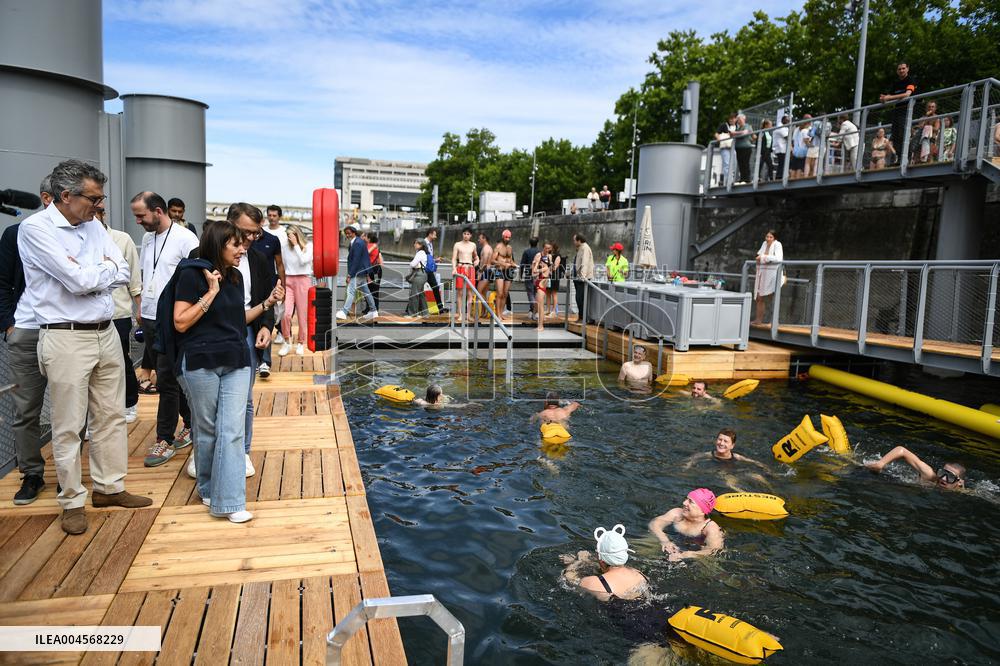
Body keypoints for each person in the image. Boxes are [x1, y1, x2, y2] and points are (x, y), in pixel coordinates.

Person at [18, 159, 153, 534]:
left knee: (110, 415)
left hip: (106, 332)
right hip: (65, 336)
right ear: (65, 196)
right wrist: (99, 270)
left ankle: (109, 487)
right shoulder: (35, 229)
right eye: (93, 198)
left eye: (100, 198)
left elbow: (122, 269)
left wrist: (96, 270)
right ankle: (72, 500)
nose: (98, 206)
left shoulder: (92, 224)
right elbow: (77, 280)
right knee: (68, 425)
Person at [173, 221, 282, 523]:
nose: (242, 248)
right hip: (199, 361)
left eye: (242, 244)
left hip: (236, 358)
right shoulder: (191, 273)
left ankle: (230, 502)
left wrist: (266, 304)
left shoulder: (235, 277)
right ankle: (207, 488)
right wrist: (210, 292)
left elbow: (237, 320)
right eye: (235, 244)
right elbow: (180, 322)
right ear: (218, 244)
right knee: (206, 430)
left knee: (232, 430)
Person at [132, 190, 199, 467]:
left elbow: (198, 277)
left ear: (158, 211)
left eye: (141, 215)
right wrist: (141, 306)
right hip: (148, 316)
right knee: (167, 375)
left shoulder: (186, 239)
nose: (138, 221)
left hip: (172, 319)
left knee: (167, 379)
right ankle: (193, 423)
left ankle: (164, 440)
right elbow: (150, 273)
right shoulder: (148, 238)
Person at [2, 177, 55, 505]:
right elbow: (2, 281)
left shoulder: (83, 232)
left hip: (65, 331)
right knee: (25, 411)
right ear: (47, 197)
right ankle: (32, 473)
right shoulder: (17, 233)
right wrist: (9, 326)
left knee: (71, 410)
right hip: (25, 332)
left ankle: (67, 473)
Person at [100, 211, 142, 425]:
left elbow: (133, 276)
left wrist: (139, 307)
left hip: (119, 313)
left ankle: (129, 402)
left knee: (122, 361)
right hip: (91, 317)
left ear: (104, 214)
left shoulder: (122, 239)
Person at [560, 525, 648, 602]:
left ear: (601, 561)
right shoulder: (638, 574)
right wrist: (587, 561)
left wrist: (575, 562)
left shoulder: (593, 583)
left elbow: (567, 580)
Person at [250, 209, 284, 377]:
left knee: (266, 320)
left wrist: (282, 286)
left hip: (267, 287)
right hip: (248, 288)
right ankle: (254, 359)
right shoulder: (243, 242)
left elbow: (279, 264)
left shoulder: (273, 240)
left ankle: (264, 361)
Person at [649, 489, 724, 561]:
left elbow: (713, 551)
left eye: (690, 502)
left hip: (692, 553)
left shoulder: (709, 527)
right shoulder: (676, 513)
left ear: (702, 510)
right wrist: (664, 540)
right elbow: (654, 524)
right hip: (670, 544)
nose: (684, 503)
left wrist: (687, 555)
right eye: (686, 499)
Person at [278, 225, 312, 357]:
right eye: (287, 235)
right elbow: (282, 266)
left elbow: (303, 261)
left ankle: (300, 343)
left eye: (291, 235)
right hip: (288, 281)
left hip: (303, 281)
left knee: (302, 315)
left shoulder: (309, 246)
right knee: (285, 314)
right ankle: (287, 341)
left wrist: (296, 245)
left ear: (297, 235)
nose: (289, 238)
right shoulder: (284, 247)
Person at [866, 446, 966, 490]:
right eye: (942, 473)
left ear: (959, 482)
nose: (943, 479)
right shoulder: (930, 475)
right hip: (887, 475)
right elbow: (902, 450)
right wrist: (880, 464)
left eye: (950, 477)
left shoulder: (962, 491)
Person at [336, 225, 378, 321]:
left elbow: (356, 260)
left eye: (349, 233)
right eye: (346, 233)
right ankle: (374, 311)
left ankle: (344, 312)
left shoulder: (357, 243)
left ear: (354, 233)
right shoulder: (358, 242)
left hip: (357, 272)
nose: (347, 235)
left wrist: (350, 274)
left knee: (351, 291)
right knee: (366, 292)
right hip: (362, 271)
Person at [683, 429, 769, 472]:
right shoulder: (710, 455)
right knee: (729, 480)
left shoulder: (736, 456)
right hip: (721, 471)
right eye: (720, 440)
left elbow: (753, 462)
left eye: (726, 441)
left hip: (736, 469)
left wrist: (764, 468)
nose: (721, 443)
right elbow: (693, 458)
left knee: (757, 477)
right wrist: (688, 465)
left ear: (732, 446)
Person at [880, 62, 916, 161]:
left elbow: (907, 94)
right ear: (897, 71)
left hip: (906, 112)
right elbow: (888, 96)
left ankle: (907, 158)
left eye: (903, 68)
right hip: (897, 111)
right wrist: (884, 98)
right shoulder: (896, 83)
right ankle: (899, 158)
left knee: (903, 134)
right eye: (899, 69)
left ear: (908, 69)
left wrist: (889, 97)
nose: (901, 70)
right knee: (895, 135)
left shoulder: (910, 80)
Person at [264, 205, 288, 345]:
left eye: (274, 215)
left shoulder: (284, 232)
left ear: (279, 217)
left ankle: (281, 331)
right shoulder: (263, 232)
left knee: (282, 304)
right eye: (270, 215)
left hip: (285, 271)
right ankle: (272, 329)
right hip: (269, 272)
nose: (272, 218)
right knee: (271, 302)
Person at [752, 230, 783, 325]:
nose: (768, 239)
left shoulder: (778, 245)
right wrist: (760, 257)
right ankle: (758, 320)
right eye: (767, 236)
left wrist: (763, 257)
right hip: (763, 273)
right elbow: (759, 255)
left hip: (773, 274)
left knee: (771, 296)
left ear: (774, 238)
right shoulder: (764, 244)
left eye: (770, 237)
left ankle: (773, 321)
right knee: (759, 297)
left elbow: (778, 258)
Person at [451, 227, 479, 323]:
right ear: (462, 234)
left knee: (470, 293)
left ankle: (468, 314)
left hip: (470, 268)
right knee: (460, 292)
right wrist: (454, 268)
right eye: (464, 233)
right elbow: (454, 258)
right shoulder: (457, 244)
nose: (466, 235)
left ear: (470, 235)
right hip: (461, 267)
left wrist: (477, 261)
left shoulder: (473, 245)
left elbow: (475, 256)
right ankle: (460, 313)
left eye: (468, 234)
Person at [572, 233, 595, 322]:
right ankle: (581, 317)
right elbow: (577, 262)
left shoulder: (585, 248)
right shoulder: (580, 248)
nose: (573, 242)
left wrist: (582, 276)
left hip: (582, 278)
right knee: (579, 298)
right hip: (578, 277)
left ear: (579, 240)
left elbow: (584, 263)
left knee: (579, 298)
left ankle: (583, 318)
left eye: (574, 240)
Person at [493, 229, 516, 317]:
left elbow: (510, 260)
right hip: (499, 271)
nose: (507, 239)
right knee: (500, 293)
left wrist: (514, 265)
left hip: (508, 271)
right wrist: (502, 263)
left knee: (505, 293)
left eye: (509, 237)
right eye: (506, 237)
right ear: (503, 237)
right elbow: (492, 260)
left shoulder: (510, 248)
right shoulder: (498, 247)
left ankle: (501, 313)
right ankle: (498, 314)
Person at [423, 228, 446, 313]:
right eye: (434, 235)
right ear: (430, 234)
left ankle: (440, 308)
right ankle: (408, 309)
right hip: (423, 270)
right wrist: (434, 260)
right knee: (418, 289)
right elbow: (423, 257)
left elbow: (429, 257)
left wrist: (435, 260)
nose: (435, 237)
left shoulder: (430, 244)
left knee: (435, 287)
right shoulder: (424, 243)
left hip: (429, 270)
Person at [532, 241, 553, 332]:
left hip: (544, 280)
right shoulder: (538, 255)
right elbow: (533, 271)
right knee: (540, 304)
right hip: (540, 280)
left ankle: (540, 325)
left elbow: (549, 269)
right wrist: (540, 267)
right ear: (543, 247)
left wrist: (548, 269)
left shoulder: (549, 256)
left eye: (549, 248)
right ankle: (540, 325)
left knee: (540, 304)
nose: (547, 250)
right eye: (546, 248)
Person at [404, 239, 429, 317]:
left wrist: (411, 263)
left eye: (416, 243)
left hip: (419, 274)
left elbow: (413, 264)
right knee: (421, 295)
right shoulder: (423, 253)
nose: (414, 244)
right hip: (423, 273)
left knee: (414, 294)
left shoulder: (420, 253)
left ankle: (413, 314)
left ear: (421, 245)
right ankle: (425, 313)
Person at [520, 237, 541, 320]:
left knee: (530, 293)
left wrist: (521, 275)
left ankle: (533, 310)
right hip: (538, 274)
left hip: (529, 273)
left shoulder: (526, 252)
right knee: (536, 293)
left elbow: (522, 264)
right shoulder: (540, 252)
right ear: (537, 243)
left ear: (529, 243)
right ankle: (534, 311)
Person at [715, 112, 737, 186]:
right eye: (730, 118)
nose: (731, 120)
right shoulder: (724, 125)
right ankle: (729, 181)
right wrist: (720, 140)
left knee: (733, 164)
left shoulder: (737, 126)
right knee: (726, 164)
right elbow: (716, 134)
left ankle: (731, 180)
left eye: (733, 118)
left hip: (733, 147)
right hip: (725, 147)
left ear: (736, 119)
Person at [476, 231, 494, 317]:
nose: (478, 240)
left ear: (484, 238)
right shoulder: (488, 247)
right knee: (483, 292)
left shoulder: (486, 248)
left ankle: (486, 310)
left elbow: (485, 261)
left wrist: (480, 271)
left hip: (485, 271)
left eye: (479, 238)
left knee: (479, 292)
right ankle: (484, 312)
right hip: (488, 271)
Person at [733, 114, 754, 184]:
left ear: (744, 119)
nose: (738, 121)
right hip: (739, 148)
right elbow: (733, 134)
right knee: (740, 163)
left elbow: (744, 134)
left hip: (746, 148)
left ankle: (747, 179)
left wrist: (735, 133)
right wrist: (737, 133)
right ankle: (742, 179)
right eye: (738, 119)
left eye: (740, 119)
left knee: (745, 163)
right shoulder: (738, 128)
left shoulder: (747, 126)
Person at [546, 242, 563, 317]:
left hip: (555, 277)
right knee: (548, 293)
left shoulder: (558, 256)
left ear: (553, 248)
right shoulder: (548, 255)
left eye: (550, 247)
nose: (548, 248)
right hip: (548, 276)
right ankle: (548, 310)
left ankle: (554, 311)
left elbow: (555, 267)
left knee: (554, 293)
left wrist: (549, 264)